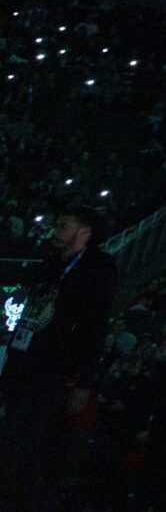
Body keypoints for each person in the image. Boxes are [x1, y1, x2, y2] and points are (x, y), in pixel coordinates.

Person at [0, 204, 118, 511]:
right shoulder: (49, 264)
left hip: (54, 370)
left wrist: (83, 382)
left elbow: (95, 327)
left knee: (33, 443)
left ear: (83, 232)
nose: (55, 231)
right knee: (12, 437)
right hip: (23, 364)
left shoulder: (98, 269)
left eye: (63, 226)